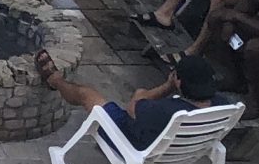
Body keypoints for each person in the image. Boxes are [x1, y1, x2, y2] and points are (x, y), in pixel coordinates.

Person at [34, 49, 229, 147]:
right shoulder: (223, 105)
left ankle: (55, 80)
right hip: (176, 152)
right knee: (140, 96)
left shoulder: (164, 111)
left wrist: (168, 86)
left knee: (87, 94)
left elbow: (133, 105)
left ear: (178, 80)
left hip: (135, 146)